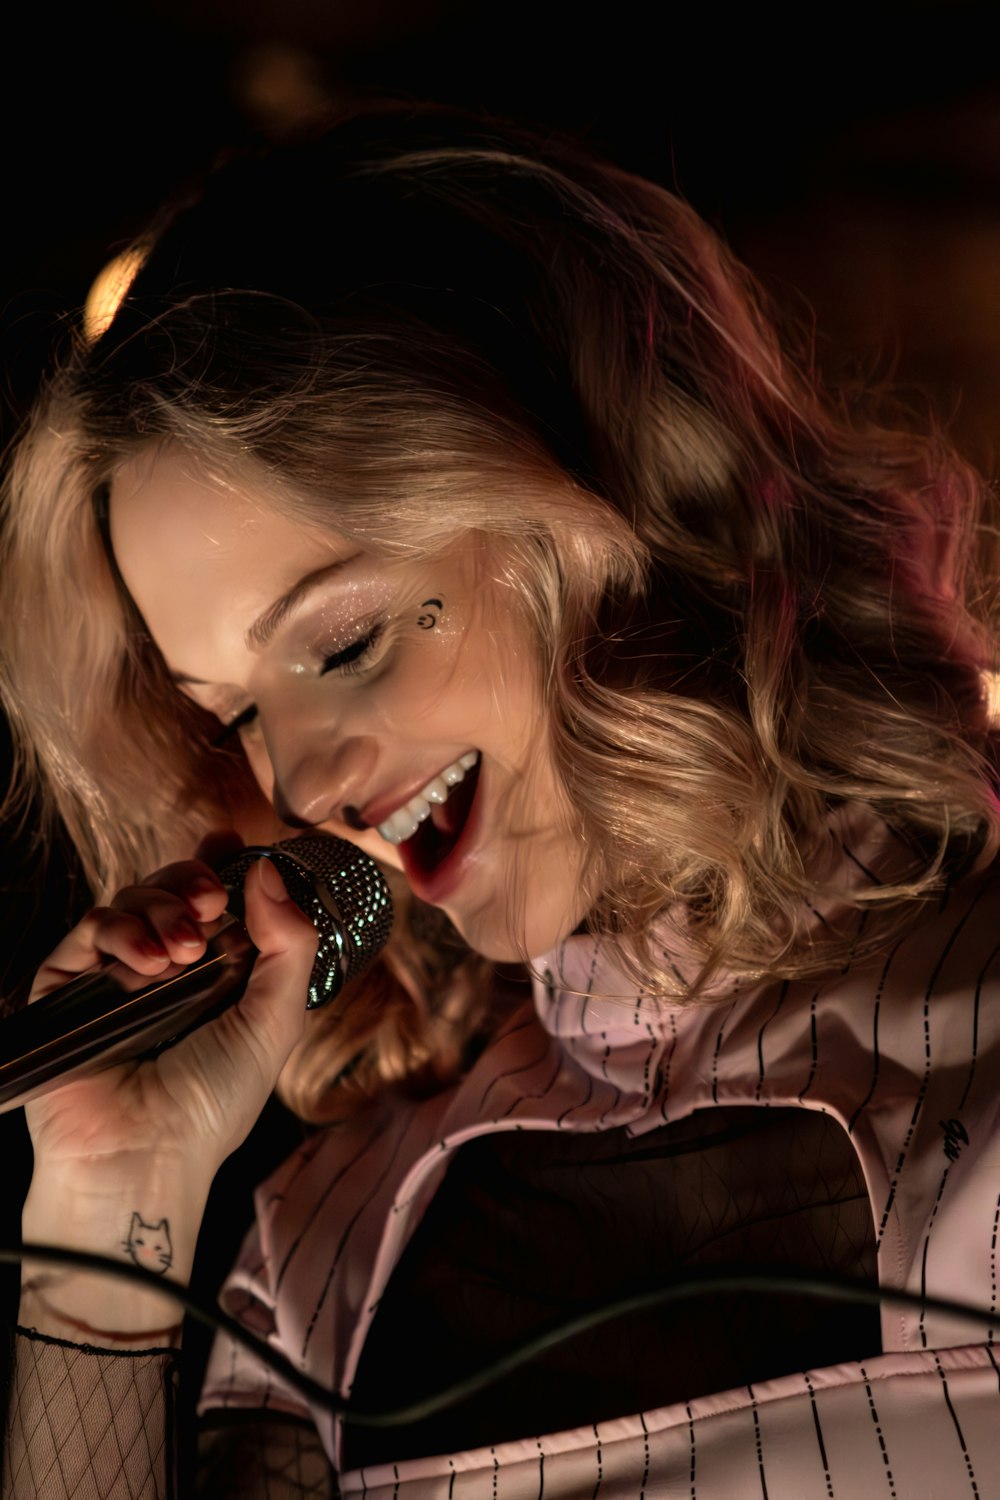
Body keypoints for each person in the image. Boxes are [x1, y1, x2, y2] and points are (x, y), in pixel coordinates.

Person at [2, 100, 999, 1498]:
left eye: (340, 642)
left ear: (603, 477)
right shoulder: (317, 1256)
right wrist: (108, 1228)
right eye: (232, 715)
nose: (293, 781)